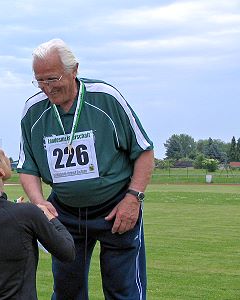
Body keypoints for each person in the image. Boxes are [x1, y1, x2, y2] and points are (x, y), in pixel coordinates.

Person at [17, 38, 154, 300]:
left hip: (115, 208)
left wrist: (133, 198)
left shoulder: (106, 98)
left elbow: (144, 151)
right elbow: (28, 167)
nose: (47, 88)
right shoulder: (33, 111)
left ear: (74, 70)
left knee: (124, 291)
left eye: (53, 78)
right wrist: (39, 202)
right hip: (65, 211)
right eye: (40, 81)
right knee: (67, 291)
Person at [0, 132, 75, 299]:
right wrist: (49, 216)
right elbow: (67, 252)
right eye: (2, 153)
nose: (6, 156)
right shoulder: (26, 213)